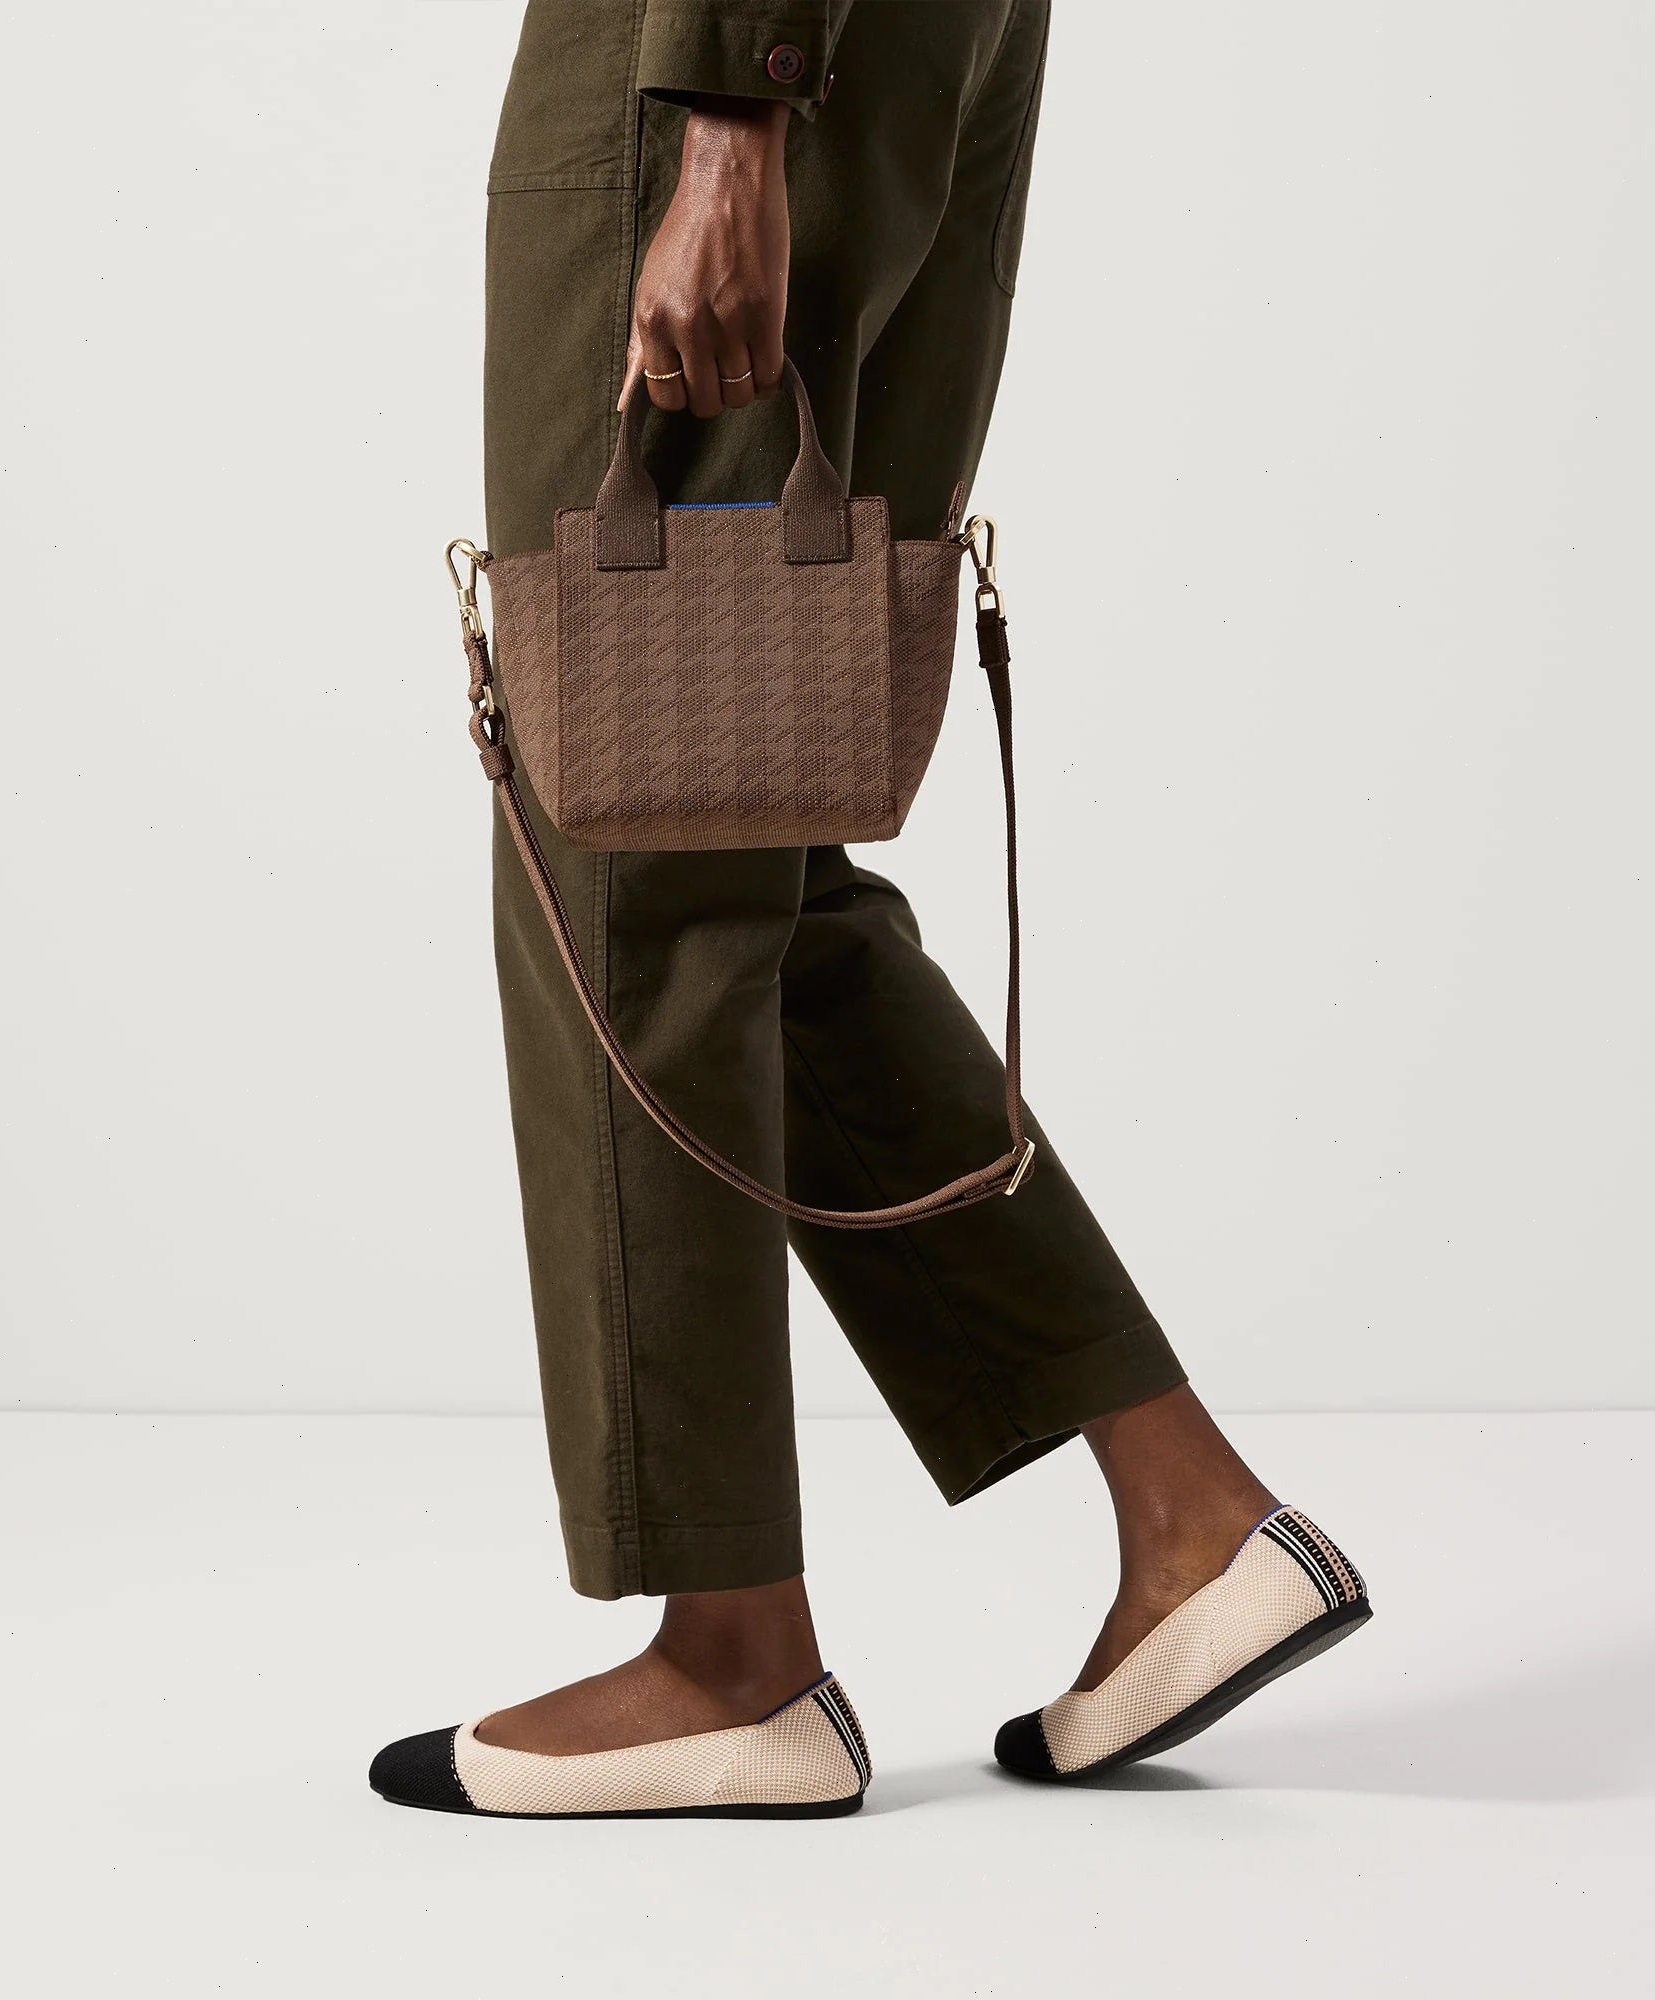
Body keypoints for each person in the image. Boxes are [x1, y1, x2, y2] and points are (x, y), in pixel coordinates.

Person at [371, 0, 1368, 1820]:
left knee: (628, 861)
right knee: (735, 823)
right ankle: (1192, 1520)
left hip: (716, 59)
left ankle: (728, 1657)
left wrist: (727, 113)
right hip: (893, 57)